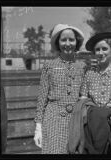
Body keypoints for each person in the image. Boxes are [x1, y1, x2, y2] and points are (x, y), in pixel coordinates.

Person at [33, 24, 86, 154]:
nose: (67, 43)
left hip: (75, 120)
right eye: (63, 40)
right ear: (58, 42)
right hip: (53, 120)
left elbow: (84, 95)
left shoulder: (83, 66)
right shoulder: (49, 66)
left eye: (71, 40)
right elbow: (42, 97)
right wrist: (38, 126)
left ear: (76, 42)